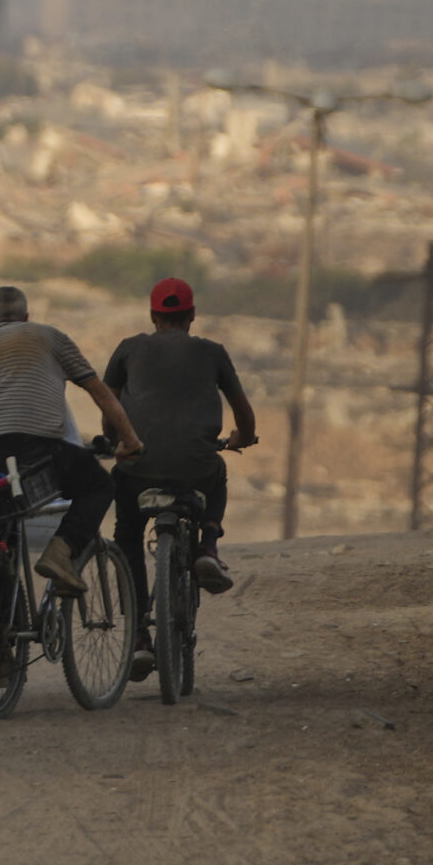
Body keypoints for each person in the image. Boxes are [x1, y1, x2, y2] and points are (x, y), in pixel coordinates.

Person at [0, 285, 142, 607]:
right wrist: (130, 440)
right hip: (36, 447)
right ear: (27, 317)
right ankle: (61, 551)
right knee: (97, 485)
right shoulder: (51, 336)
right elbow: (101, 393)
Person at [108, 277, 257, 674]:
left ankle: (139, 635)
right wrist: (244, 436)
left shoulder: (129, 349)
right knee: (217, 471)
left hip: (137, 467)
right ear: (192, 315)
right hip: (196, 465)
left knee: (127, 534)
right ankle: (208, 545)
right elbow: (242, 409)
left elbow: (109, 405)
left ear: (153, 315)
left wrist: (113, 443)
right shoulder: (212, 353)